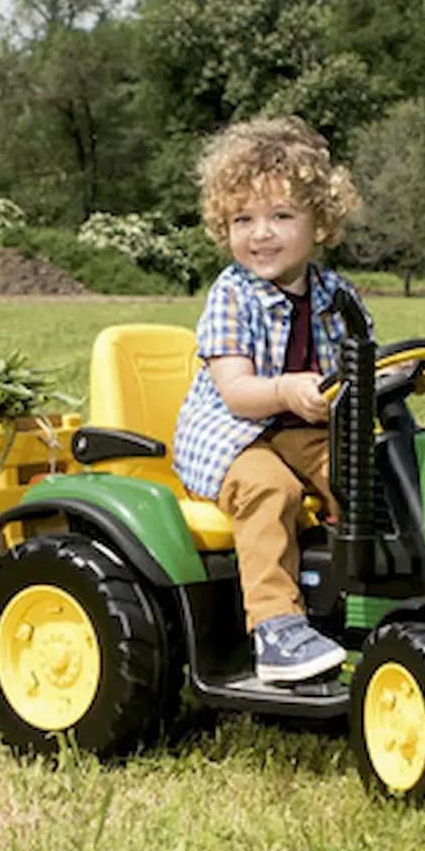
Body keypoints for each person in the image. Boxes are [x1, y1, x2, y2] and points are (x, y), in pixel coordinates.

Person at [173, 116, 370, 683]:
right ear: (223, 226)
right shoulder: (232, 295)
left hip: (300, 428)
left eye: (281, 216)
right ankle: (276, 628)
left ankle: (372, 589)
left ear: (321, 224)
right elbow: (235, 391)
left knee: (366, 471)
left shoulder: (337, 294)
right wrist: (285, 388)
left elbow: (361, 360)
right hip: (231, 437)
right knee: (270, 488)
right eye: (244, 219)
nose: (261, 233)